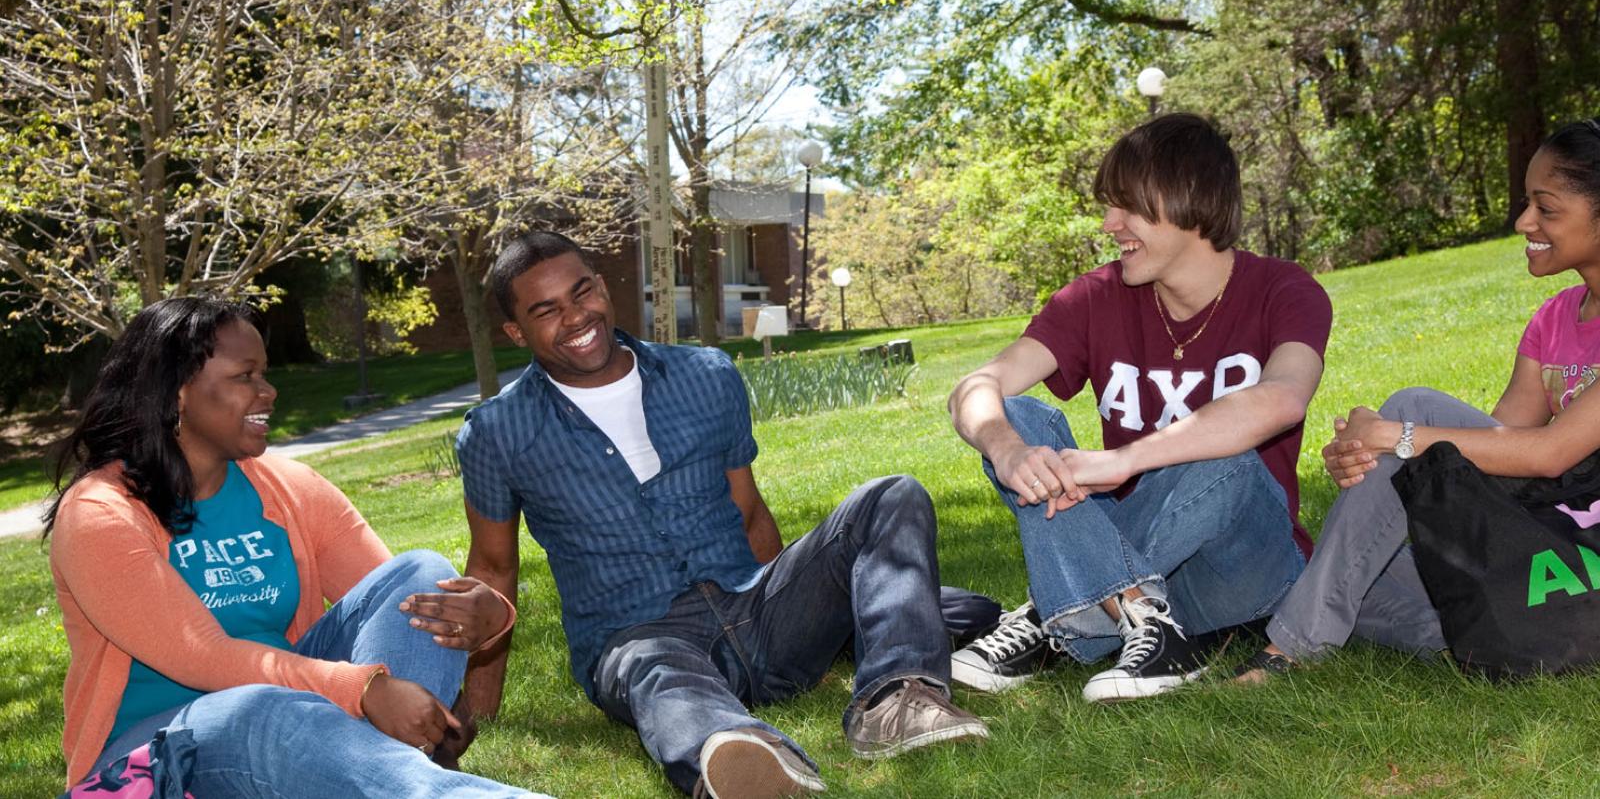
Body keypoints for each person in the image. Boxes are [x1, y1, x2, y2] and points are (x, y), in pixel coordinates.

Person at [452, 232, 988, 799]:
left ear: (604, 289)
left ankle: (896, 700)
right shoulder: (496, 433)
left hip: (749, 603)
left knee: (891, 494)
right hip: (639, 636)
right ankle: (736, 753)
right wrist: (479, 714)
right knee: (655, 671)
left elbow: (749, 511)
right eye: (547, 311)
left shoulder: (704, 375)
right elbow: (492, 570)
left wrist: (800, 603)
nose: (575, 316)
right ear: (516, 333)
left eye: (582, 293)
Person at [45, 297, 542, 797]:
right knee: (258, 708)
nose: (269, 391)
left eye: (265, 373)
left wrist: (490, 614)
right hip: (159, 749)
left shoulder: (289, 488)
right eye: (246, 376)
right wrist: (364, 689)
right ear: (177, 392)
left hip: (295, 721)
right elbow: (206, 658)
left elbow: (401, 608)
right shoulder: (100, 512)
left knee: (421, 573)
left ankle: (392, 766)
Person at [946, 113, 1332, 702]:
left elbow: (1282, 398)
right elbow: (978, 385)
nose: (1109, 224)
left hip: (1245, 564)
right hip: (1140, 554)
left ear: (1187, 199)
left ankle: (1064, 609)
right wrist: (1006, 449)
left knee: (1224, 448)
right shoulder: (1096, 298)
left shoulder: (1285, 290)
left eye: (1127, 206)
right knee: (1016, 418)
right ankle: (1129, 613)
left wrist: (1123, 460)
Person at [1233, 118, 1600, 680]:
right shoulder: (1554, 319)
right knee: (1354, 577)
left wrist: (1398, 433)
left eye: (1545, 209)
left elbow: (1549, 454)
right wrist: (1368, 453)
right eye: (1527, 203)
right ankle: (1503, 637)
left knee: (1414, 408)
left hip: (1585, 544)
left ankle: (1292, 650)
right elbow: (1483, 463)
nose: (1525, 221)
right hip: (1557, 549)